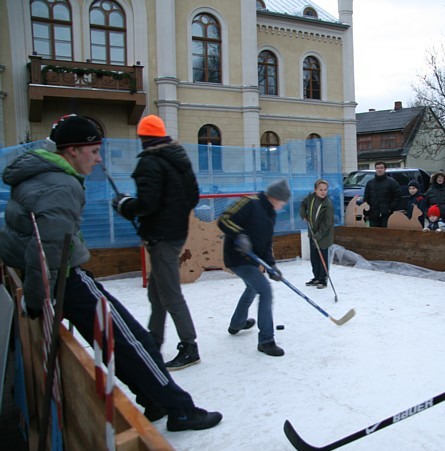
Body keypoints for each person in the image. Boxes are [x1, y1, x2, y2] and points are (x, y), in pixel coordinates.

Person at [0, 115, 222, 431]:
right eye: (94, 150)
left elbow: (149, 202)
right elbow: (46, 252)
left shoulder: (47, 176)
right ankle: (174, 402)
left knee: (156, 307)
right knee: (139, 328)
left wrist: (128, 207)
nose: (99, 157)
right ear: (73, 150)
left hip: (149, 241)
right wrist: (36, 299)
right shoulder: (59, 184)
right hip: (70, 276)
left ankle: (174, 364)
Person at [112, 115, 201, 371]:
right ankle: (153, 342)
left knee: (170, 294)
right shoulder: (179, 159)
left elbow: (147, 204)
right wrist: (172, 215)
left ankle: (189, 345)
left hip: (161, 237)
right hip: (173, 233)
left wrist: (124, 204)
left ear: (144, 138)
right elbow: (192, 197)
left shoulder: (151, 162)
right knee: (156, 293)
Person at [217, 179, 290, 357]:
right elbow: (224, 219)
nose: (282, 206)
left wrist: (271, 265)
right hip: (237, 257)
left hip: (252, 260)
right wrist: (239, 235)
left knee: (252, 288)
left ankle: (237, 323)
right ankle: (266, 340)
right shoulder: (250, 202)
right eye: (282, 202)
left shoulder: (270, 214)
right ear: (274, 197)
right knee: (265, 292)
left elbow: (266, 244)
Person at [300, 179, 335, 289]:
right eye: (320, 190)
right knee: (314, 257)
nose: (323, 192)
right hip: (312, 233)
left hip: (323, 236)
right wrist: (303, 214)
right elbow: (303, 205)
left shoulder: (327, 204)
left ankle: (323, 278)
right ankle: (316, 277)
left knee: (322, 258)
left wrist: (318, 235)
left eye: (325, 189)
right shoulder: (311, 198)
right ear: (315, 190)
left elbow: (327, 223)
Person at [363, 161, 402, 227]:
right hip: (373, 214)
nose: (379, 170)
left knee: (385, 233)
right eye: (377, 168)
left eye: (381, 168)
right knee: (374, 234)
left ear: (385, 169)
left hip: (387, 215)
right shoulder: (370, 183)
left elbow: (398, 196)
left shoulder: (392, 182)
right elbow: (366, 198)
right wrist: (366, 212)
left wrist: (391, 208)